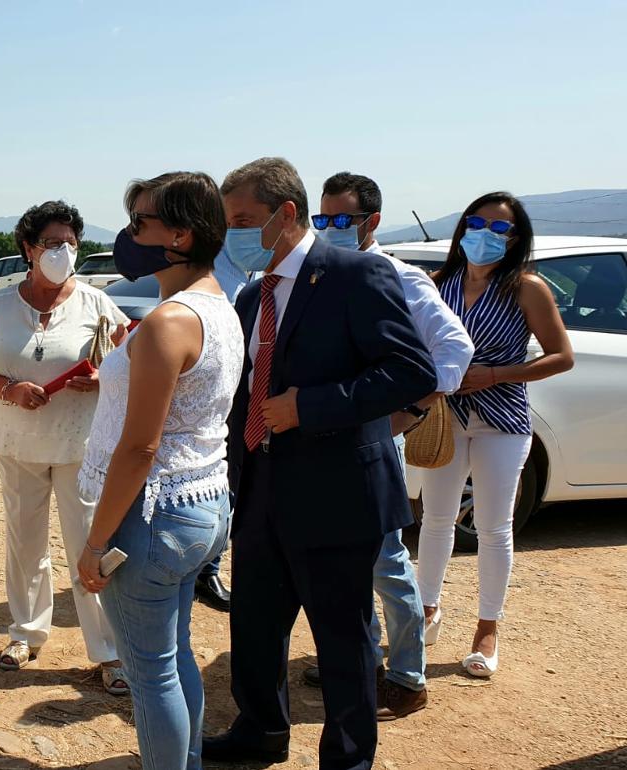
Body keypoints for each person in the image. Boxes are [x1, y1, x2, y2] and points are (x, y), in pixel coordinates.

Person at [202, 158, 436, 770]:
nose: (237, 234)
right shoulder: (255, 294)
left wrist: (310, 406)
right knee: (254, 626)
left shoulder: (356, 275)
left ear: (286, 214)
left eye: (246, 220)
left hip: (337, 492)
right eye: (230, 223)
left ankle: (348, 757)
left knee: (342, 638)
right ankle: (260, 732)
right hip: (261, 488)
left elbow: (413, 372)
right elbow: (246, 387)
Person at [75, 172, 243, 770]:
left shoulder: (171, 321)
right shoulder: (216, 306)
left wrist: (96, 543)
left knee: (152, 677)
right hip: (202, 504)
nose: (128, 234)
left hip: (154, 512)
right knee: (173, 657)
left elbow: (139, 449)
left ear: (180, 234)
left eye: (140, 223)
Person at [298, 172, 473, 720]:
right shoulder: (314, 275)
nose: (329, 229)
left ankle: (407, 675)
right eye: (321, 220)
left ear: (372, 221)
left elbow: (453, 348)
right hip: (323, 440)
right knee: (340, 563)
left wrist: (411, 409)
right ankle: (360, 661)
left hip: (372, 441)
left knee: (385, 561)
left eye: (341, 220)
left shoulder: (398, 277)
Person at [0, 200, 130, 693]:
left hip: (81, 444)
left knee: (88, 546)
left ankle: (108, 651)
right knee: (24, 540)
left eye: (71, 243)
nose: (63, 251)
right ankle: (26, 632)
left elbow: (127, 363)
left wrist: (101, 378)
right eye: (52, 243)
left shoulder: (98, 304)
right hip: (16, 441)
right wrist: (8, 390)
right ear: (28, 249)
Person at [417, 192, 573, 678]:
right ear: (463, 227)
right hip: (446, 418)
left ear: (516, 238)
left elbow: (560, 356)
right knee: (435, 519)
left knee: (493, 526)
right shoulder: (438, 283)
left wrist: (497, 374)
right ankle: (426, 612)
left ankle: (488, 628)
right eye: (478, 224)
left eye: (500, 229)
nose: (486, 235)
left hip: (502, 419)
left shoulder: (526, 287)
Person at [191, 251, 252, 612]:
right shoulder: (216, 265)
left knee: (235, 485)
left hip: (251, 395)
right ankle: (204, 570)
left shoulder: (258, 262)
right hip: (220, 398)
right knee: (223, 482)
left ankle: (206, 567)